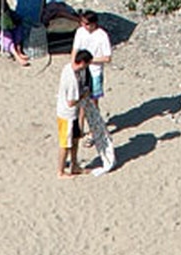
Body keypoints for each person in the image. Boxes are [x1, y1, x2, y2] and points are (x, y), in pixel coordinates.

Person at [72, 11, 115, 173]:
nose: (83, 26)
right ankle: (81, 129)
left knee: (93, 102)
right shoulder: (80, 32)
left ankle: (92, 131)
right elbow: (75, 50)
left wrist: (89, 61)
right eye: (82, 23)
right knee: (81, 101)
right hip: (83, 71)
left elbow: (107, 57)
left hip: (95, 72)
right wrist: (74, 66)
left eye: (86, 24)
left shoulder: (101, 36)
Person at [57, 50, 93, 178]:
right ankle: (60, 171)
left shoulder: (68, 67)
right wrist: (84, 95)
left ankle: (74, 165)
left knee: (76, 139)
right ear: (82, 63)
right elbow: (71, 102)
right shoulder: (71, 79)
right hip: (67, 115)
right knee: (65, 144)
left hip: (74, 114)